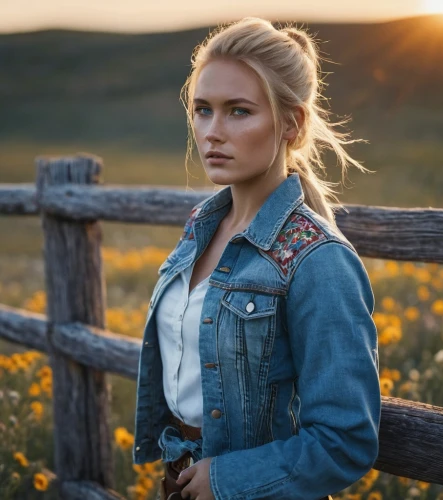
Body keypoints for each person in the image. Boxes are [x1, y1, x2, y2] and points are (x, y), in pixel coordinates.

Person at [132, 17, 381, 500]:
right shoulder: (200, 230)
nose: (213, 132)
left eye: (238, 111)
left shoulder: (318, 259)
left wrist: (226, 480)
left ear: (292, 123)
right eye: (203, 110)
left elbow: (345, 440)